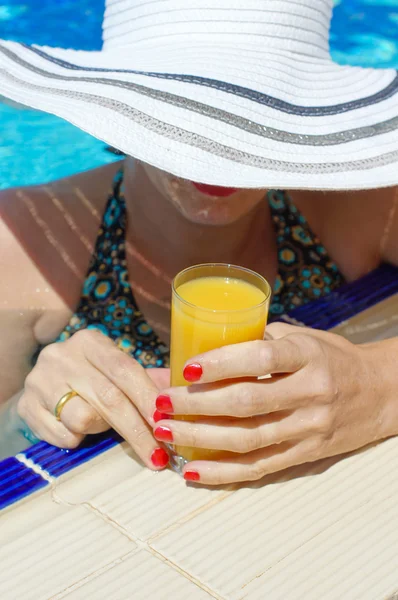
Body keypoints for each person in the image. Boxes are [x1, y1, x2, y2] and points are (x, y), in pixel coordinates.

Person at [0, 0, 397, 484]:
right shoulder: (20, 241)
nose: (217, 150)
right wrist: (29, 411)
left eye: (254, 108)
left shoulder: (369, 207)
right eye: (183, 106)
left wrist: (379, 385)